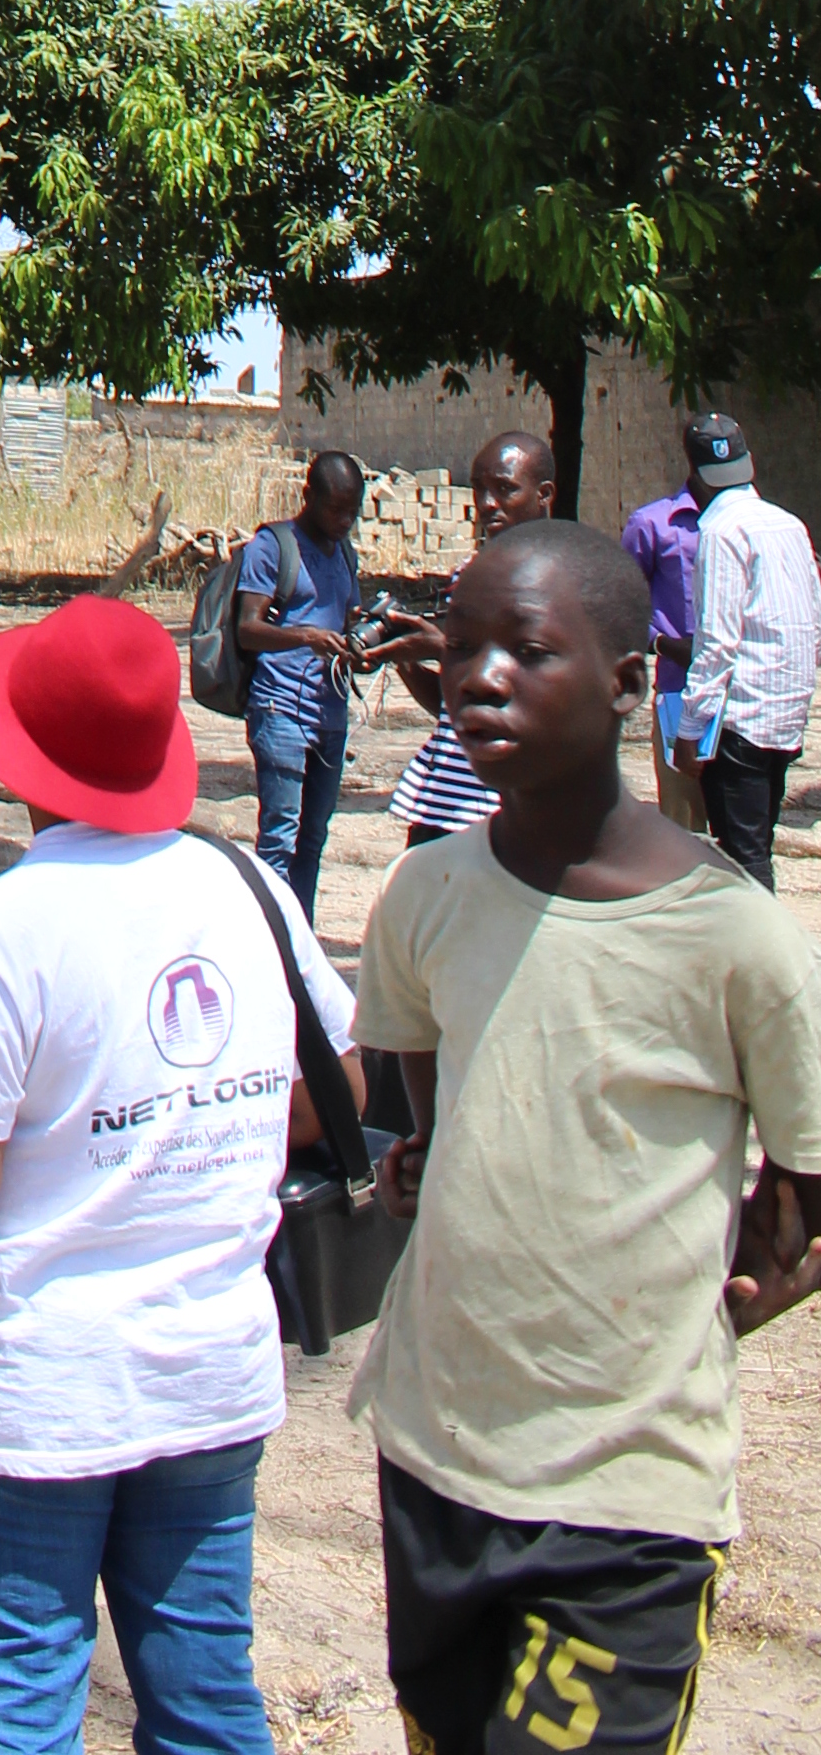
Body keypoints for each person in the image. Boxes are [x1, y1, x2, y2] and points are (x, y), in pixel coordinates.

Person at [0, 589, 351, 1755]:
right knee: (208, 1701)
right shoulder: (249, 890)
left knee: (20, 1706)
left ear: (23, 758)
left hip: (42, 1390)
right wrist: (201, 1137)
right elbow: (342, 1085)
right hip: (210, 1372)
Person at [350, 521, 821, 1752]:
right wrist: (431, 1166)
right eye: (461, 648)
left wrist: (765, 1270)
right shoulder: (426, 895)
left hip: (628, 1496)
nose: (478, 678)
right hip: (438, 1453)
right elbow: (435, 1102)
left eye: (526, 649)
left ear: (626, 683)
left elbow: (807, 1169)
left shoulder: (733, 935)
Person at [380, 433, 556, 845]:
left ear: (544, 494)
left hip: (510, 808)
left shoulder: (560, 580)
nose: (487, 503)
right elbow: (454, 708)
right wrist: (402, 654)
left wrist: (443, 649)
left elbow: (541, 694)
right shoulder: (468, 574)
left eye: (505, 489)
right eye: (479, 489)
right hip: (442, 804)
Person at [671, 414, 818, 894]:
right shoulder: (790, 525)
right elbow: (811, 621)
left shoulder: (720, 531)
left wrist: (689, 730)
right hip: (785, 716)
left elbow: (716, 643)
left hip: (739, 724)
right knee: (757, 845)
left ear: (694, 477)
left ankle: (764, 943)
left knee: (743, 860)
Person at [232, 447, 367, 920]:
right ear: (308, 496)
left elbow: (348, 620)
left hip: (330, 715)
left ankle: (300, 936)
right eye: (336, 510)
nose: (344, 521)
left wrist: (363, 643)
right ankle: (269, 940)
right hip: (280, 709)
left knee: (313, 839)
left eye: (353, 512)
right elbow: (248, 629)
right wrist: (306, 636)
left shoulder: (345, 553)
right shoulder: (273, 547)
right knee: (280, 838)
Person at [619, 463, 708, 828]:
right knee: (685, 824)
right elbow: (621, 605)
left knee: (744, 832)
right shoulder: (653, 524)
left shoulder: (751, 524)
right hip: (680, 693)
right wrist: (663, 644)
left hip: (747, 696)